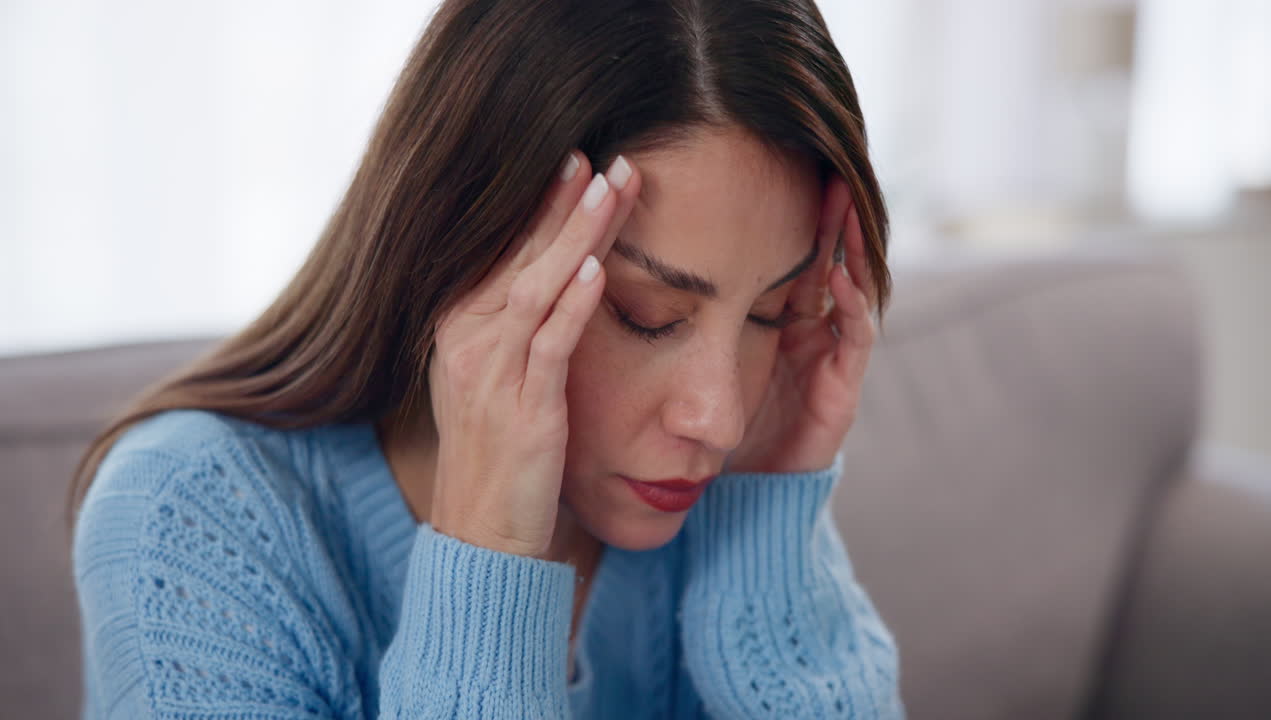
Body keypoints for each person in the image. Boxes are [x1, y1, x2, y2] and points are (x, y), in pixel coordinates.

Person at [69, 0, 904, 717]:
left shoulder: (725, 496)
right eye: (644, 316)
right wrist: (489, 557)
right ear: (463, 251)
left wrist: (768, 536)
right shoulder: (191, 522)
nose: (719, 419)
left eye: (768, 313)